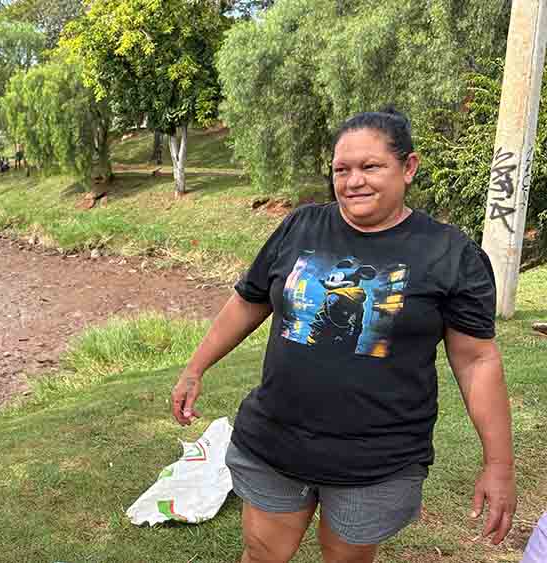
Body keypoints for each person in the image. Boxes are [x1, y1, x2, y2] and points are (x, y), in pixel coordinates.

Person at [171, 108, 516, 563]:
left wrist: (498, 465)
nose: (354, 181)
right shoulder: (301, 226)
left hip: (375, 460)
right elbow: (249, 300)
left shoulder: (451, 255)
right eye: (342, 169)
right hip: (276, 441)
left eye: (371, 167)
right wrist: (196, 367)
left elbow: (476, 362)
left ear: (408, 167)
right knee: (261, 554)